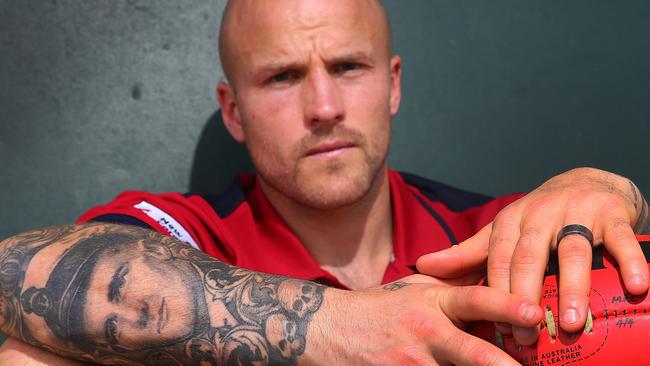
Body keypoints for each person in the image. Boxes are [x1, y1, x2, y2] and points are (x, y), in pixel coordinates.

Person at [0, 0, 648, 365]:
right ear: (234, 110)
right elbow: (17, 273)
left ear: (392, 84)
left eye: (348, 67)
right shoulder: (195, 234)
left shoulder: (491, 235)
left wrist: (604, 189)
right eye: (282, 77)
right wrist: (338, 326)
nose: (325, 106)